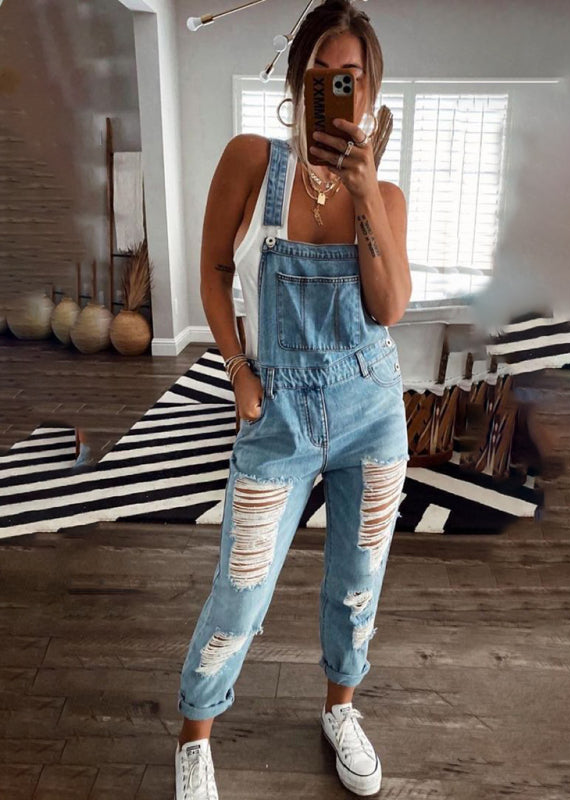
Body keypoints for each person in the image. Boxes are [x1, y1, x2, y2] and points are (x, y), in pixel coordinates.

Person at [175, 1, 411, 797]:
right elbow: (213, 270)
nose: (336, 91)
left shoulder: (387, 197)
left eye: (352, 79)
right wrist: (238, 370)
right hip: (276, 413)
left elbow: (389, 308)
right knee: (240, 590)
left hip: (370, 412)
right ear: (295, 80)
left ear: (370, 91)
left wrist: (366, 194)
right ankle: (195, 736)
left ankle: (341, 708)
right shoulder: (252, 161)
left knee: (357, 584)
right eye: (320, 75)